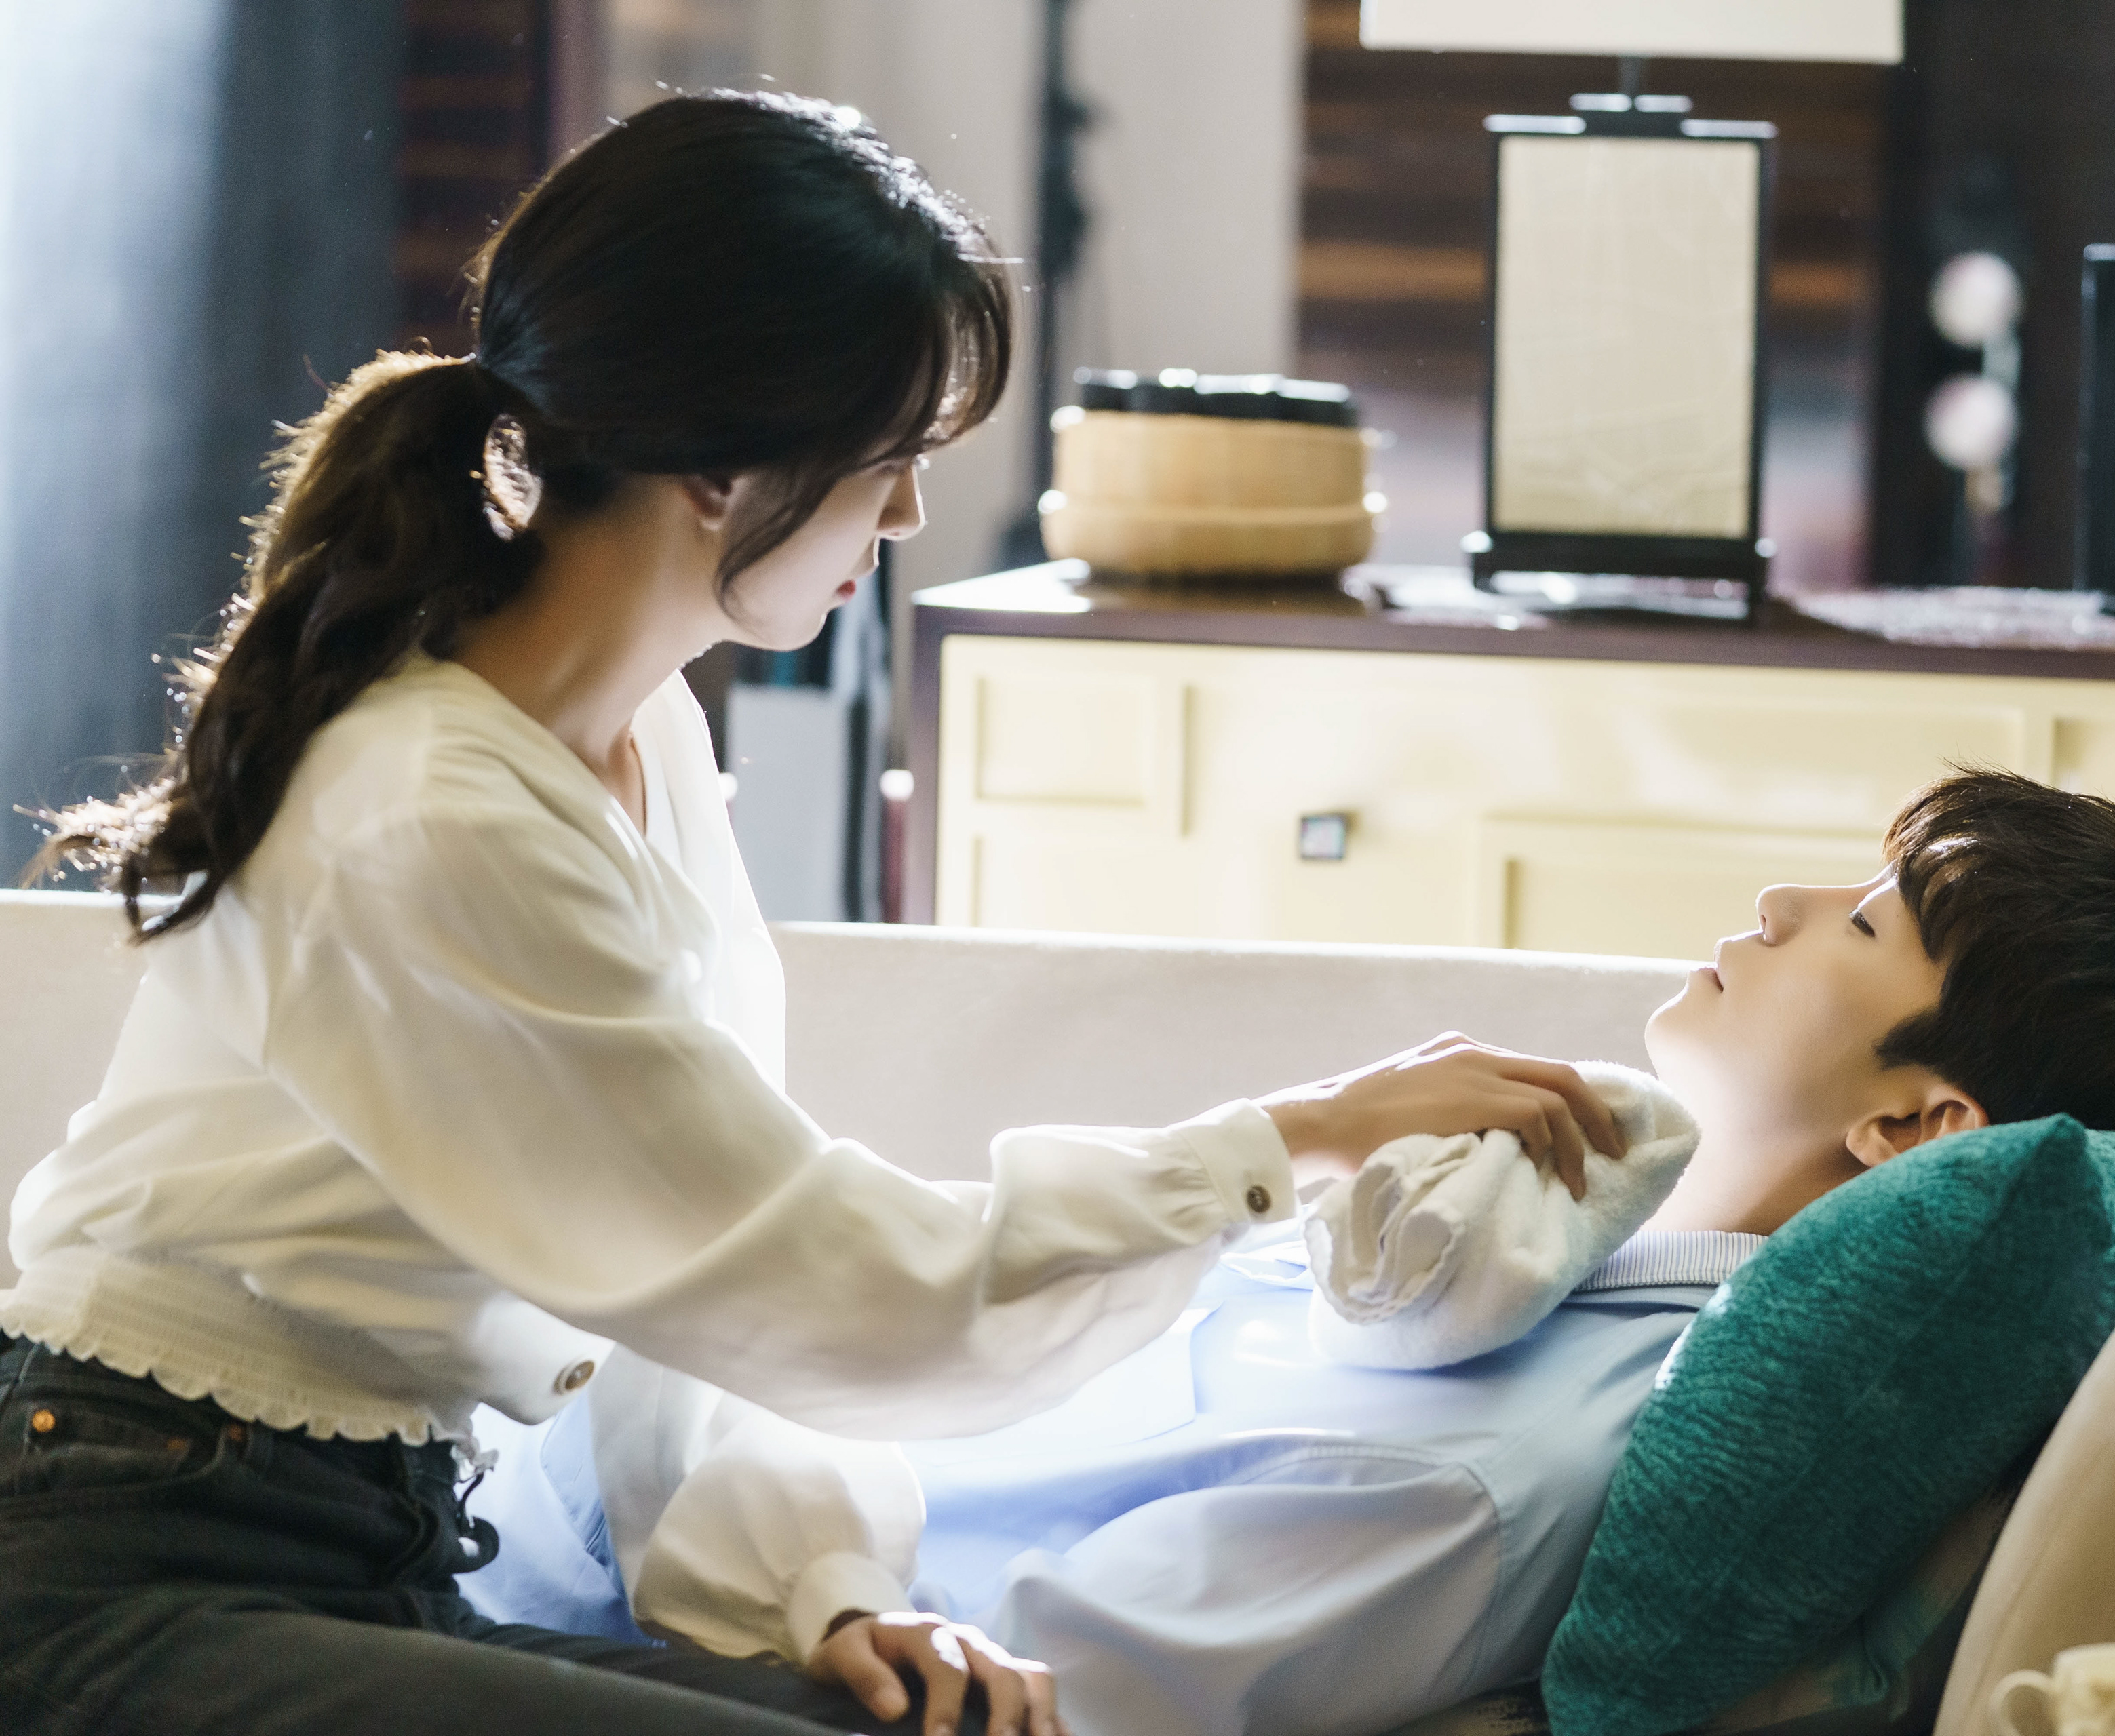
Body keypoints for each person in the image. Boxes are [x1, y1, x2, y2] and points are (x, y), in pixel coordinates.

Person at [0, 93, 1631, 1736]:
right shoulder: (429, 804)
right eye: (892, 455)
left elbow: (691, 1275)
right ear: (723, 465)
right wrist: (1297, 1136)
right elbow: (826, 1273)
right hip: (123, 1568)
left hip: (376, 1554)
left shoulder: (638, 742)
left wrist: (831, 1591)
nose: (908, 517)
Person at [461, 771, 2115, 1736]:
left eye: (1868, 919)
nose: (1778, 900)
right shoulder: (1514, 1247)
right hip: (623, 1450)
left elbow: (1042, 1682)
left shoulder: (1493, 1468)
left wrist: (774, 1485)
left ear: (1917, 1126)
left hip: (583, 1571)